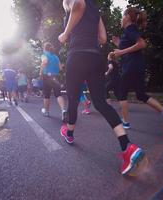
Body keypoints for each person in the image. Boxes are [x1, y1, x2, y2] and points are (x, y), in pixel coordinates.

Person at [58, 0, 144, 175]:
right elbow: (103, 39)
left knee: (73, 99)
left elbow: (79, 4)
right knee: (100, 102)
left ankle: (69, 132)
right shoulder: (95, 10)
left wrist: (66, 33)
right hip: (96, 57)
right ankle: (127, 146)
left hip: (78, 55)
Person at [112, 7, 163, 135]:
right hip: (137, 66)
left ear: (128, 17)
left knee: (121, 92)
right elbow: (132, 47)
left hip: (131, 67)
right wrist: (119, 45)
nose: (121, 19)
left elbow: (141, 44)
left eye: (123, 16)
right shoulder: (129, 32)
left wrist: (120, 52)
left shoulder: (130, 29)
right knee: (141, 94)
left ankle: (126, 122)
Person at [39, 42, 67, 122]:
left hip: (47, 76)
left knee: (46, 95)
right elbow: (60, 68)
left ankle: (46, 112)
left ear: (44, 48)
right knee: (58, 94)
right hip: (56, 76)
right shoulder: (55, 56)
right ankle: (63, 110)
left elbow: (44, 62)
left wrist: (40, 72)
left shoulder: (44, 54)